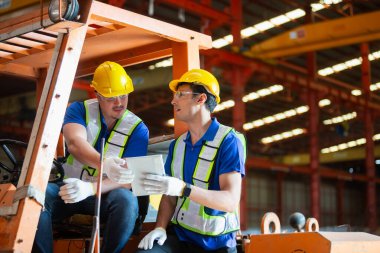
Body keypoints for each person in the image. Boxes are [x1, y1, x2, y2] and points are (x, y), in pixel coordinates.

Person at [32, 61, 149, 253]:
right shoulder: (78, 110)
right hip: (69, 188)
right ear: (97, 95)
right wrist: (105, 163)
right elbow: (75, 144)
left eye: (123, 95)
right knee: (36, 196)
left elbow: (129, 179)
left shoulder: (138, 129)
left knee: (127, 201)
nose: (119, 102)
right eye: (111, 97)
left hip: (104, 195)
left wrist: (92, 188)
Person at [136, 69, 246, 253]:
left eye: (180, 94)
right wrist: (160, 227)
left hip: (217, 244)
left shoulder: (229, 141)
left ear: (201, 99)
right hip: (180, 237)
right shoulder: (178, 145)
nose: (173, 100)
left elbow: (230, 201)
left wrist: (183, 188)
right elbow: (169, 195)